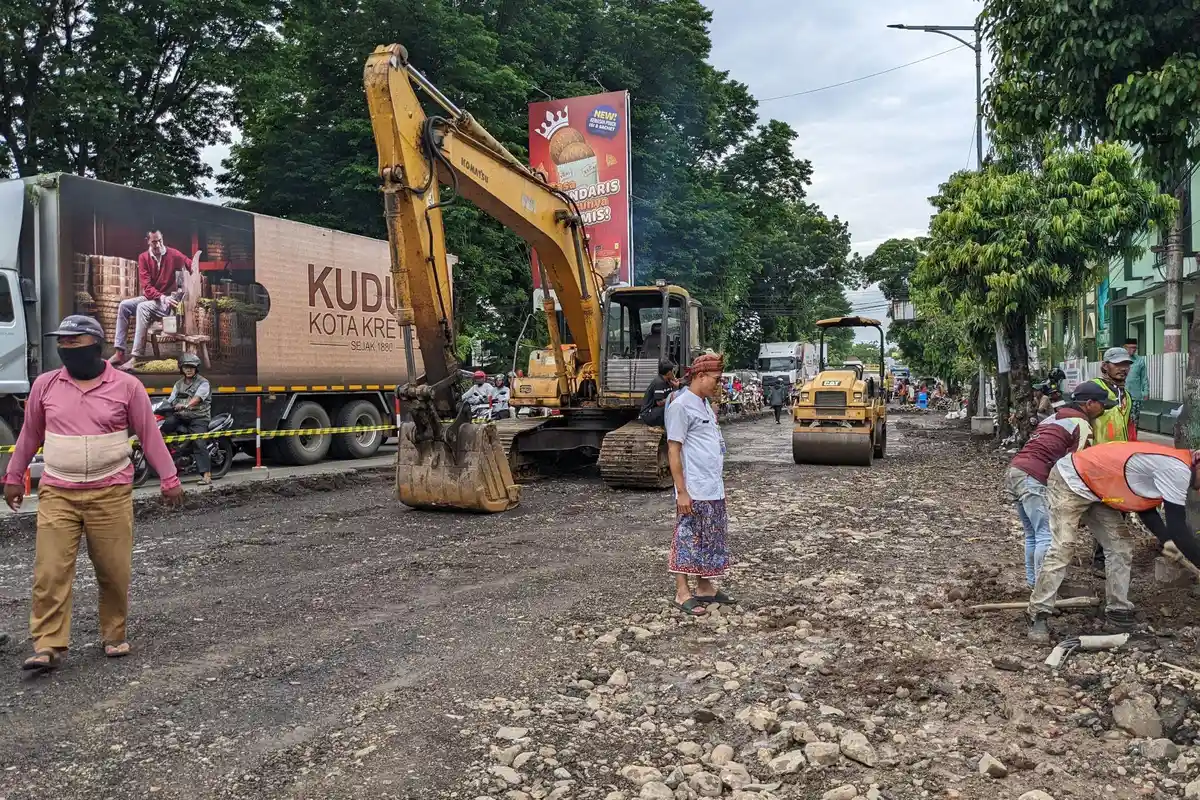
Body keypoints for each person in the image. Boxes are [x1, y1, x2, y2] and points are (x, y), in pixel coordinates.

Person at [3, 315, 182, 672]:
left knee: (114, 571)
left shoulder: (127, 386)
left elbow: (149, 434)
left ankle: (114, 634)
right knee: (50, 571)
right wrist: (13, 475)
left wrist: (170, 478)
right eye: (62, 342)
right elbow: (30, 434)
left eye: (75, 341)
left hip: (110, 492)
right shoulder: (45, 385)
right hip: (58, 491)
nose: (66, 347)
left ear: (96, 344)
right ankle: (48, 644)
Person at [1027, 440, 1200, 642]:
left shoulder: (1171, 465)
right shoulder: (1177, 470)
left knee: (1120, 546)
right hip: (1071, 478)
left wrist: (1166, 539)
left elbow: (1143, 506)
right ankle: (1038, 614)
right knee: (1063, 547)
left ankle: (1118, 611)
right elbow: (1178, 527)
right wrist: (1180, 545)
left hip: (1099, 489)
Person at [1008, 383, 1113, 588]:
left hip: (1016, 470)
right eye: (1102, 405)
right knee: (1046, 535)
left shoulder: (1052, 418)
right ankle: (1044, 589)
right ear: (1089, 404)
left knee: (1033, 534)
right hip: (1034, 476)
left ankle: (1034, 584)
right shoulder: (1081, 424)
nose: (1103, 410)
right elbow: (1077, 464)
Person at [666, 352, 733, 617]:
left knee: (710, 537)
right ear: (701, 376)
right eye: (716, 379)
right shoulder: (681, 406)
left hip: (712, 487)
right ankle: (682, 592)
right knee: (687, 539)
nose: (719, 384)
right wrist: (682, 491)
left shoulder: (704, 404)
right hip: (693, 488)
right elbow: (674, 450)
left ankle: (704, 586)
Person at [110, 232, 196, 371]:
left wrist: (193, 279)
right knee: (124, 306)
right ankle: (119, 353)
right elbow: (147, 287)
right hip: (155, 297)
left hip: (169, 301)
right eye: (154, 242)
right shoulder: (143, 258)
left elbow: (190, 264)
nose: (158, 245)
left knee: (142, 307)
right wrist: (161, 297)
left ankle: (136, 358)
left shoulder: (173, 254)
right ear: (148, 241)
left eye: (160, 240)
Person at [1090, 346, 1136, 572]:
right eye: (1117, 364)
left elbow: (1129, 427)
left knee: (1121, 507)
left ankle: (1111, 556)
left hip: (1120, 461)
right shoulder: (1094, 389)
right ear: (1105, 366)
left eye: (1126, 364)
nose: (1123, 368)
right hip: (1098, 460)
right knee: (1104, 509)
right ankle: (1100, 559)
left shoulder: (1126, 395)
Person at [161, 353, 213, 485]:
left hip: (199, 417)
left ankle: (206, 475)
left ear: (196, 368)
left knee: (199, 442)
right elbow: (171, 399)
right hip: (182, 416)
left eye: (191, 367)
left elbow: (198, 398)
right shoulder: (178, 384)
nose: (189, 370)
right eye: (186, 367)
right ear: (181, 369)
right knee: (165, 425)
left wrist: (186, 405)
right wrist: (162, 406)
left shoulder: (203, 382)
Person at [639, 361, 677, 427]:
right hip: (648, 414)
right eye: (672, 371)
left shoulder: (667, 381)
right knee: (673, 407)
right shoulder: (659, 383)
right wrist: (672, 398)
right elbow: (659, 403)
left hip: (655, 411)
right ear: (669, 373)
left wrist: (674, 384)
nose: (673, 373)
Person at [1125, 337, 1148, 434]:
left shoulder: (1140, 360)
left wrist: (1145, 392)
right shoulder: (1120, 360)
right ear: (1125, 347)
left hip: (1135, 395)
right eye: (1131, 347)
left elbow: (1144, 377)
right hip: (1122, 396)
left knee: (1134, 420)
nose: (1133, 350)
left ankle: (1133, 438)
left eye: (1135, 348)